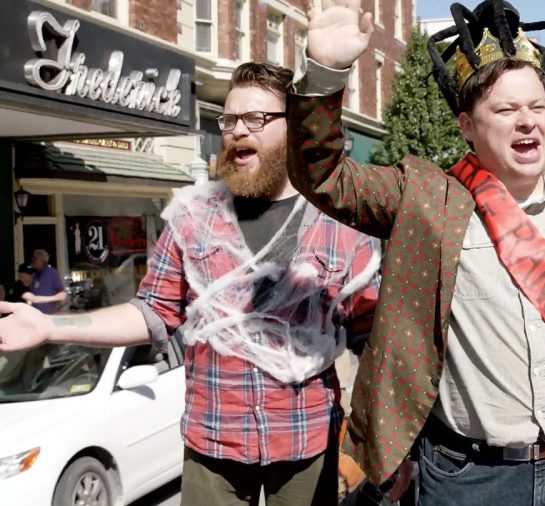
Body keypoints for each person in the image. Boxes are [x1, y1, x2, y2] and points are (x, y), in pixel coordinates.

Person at [287, 1, 545, 504]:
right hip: (467, 478)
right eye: (505, 110)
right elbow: (325, 176)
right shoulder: (425, 198)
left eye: (537, 106)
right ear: (466, 126)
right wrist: (326, 72)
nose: (527, 122)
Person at [0, 62, 381, 506]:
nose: (237, 130)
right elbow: (151, 313)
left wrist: (373, 440)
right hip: (213, 443)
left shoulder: (335, 220)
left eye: (255, 119)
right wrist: (50, 328)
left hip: (306, 439)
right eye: (229, 119)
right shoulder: (194, 217)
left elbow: (372, 336)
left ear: (295, 127)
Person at [24, 249, 66, 313]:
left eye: (35, 258)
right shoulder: (34, 275)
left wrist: (55, 308)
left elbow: (61, 292)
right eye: (32, 258)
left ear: (42, 260)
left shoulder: (51, 272)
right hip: (35, 314)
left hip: (48, 313)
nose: (32, 260)